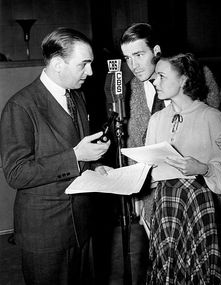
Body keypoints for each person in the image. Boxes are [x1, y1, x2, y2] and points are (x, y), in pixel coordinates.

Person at [0, 27, 111, 285]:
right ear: (59, 64)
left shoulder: (78, 97)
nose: (91, 72)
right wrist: (75, 157)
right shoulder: (21, 106)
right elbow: (16, 173)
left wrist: (93, 164)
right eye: (84, 64)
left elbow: (76, 149)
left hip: (83, 226)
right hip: (45, 232)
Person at [119, 22, 221, 227]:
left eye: (138, 55)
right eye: (127, 58)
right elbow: (135, 142)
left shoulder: (199, 73)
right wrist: (136, 194)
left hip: (202, 198)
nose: (133, 65)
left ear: (156, 51)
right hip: (156, 201)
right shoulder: (132, 89)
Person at [145, 52, 221, 284]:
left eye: (161, 76)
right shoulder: (156, 119)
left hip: (197, 205)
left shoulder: (211, 117)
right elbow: (146, 169)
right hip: (165, 206)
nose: (155, 81)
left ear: (184, 78)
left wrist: (203, 168)